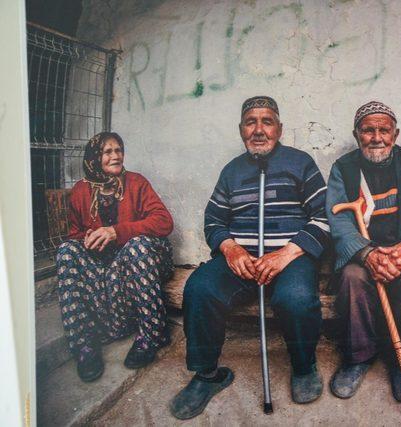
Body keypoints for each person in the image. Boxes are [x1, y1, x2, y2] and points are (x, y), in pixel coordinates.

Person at [170, 96, 331, 420]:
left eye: (267, 121)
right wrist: (231, 249)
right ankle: (207, 375)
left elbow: (325, 218)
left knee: (296, 298)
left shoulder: (301, 163)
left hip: (290, 257)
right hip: (240, 257)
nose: (259, 129)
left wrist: (287, 253)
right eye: (251, 122)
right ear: (241, 130)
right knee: (199, 288)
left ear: (279, 128)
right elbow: (214, 221)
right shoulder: (231, 171)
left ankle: (303, 365)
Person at [325, 101, 401, 402]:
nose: (376, 137)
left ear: (395, 134)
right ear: (356, 134)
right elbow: (338, 222)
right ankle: (359, 356)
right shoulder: (343, 169)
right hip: (364, 253)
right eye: (368, 130)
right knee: (351, 278)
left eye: (383, 130)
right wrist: (367, 255)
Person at [56, 131, 174, 382]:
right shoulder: (81, 190)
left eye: (118, 150)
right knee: (66, 251)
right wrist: (88, 238)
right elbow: (75, 233)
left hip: (143, 260)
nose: (115, 156)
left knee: (136, 246)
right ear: (94, 158)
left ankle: (152, 333)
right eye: (108, 152)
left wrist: (116, 232)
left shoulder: (136, 183)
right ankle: (84, 345)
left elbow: (164, 222)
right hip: (106, 263)